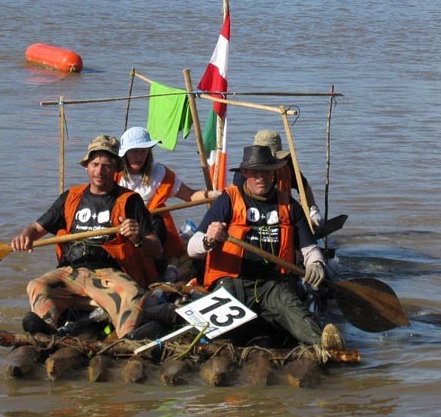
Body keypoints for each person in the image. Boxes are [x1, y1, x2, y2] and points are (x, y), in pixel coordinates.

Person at [187, 144, 343, 350]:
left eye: (266, 172)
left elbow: (310, 249)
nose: (261, 177)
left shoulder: (289, 205)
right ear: (244, 173)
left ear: (274, 175)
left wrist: (316, 264)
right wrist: (209, 239)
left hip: (273, 283)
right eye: (255, 172)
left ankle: (328, 348)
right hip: (232, 282)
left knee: (302, 320)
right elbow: (191, 247)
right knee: (197, 332)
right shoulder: (227, 201)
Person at [11, 134, 163, 339]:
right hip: (71, 271)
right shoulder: (71, 196)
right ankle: (47, 327)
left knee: (133, 294)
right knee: (36, 285)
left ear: (116, 169)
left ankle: (126, 339)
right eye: (95, 164)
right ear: (87, 167)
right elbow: (36, 228)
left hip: (107, 274)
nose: (99, 171)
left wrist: (137, 239)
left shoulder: (130, 201)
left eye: (106, 166)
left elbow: (156, 249)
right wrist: (25, 236)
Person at [117, 126, 220, 281]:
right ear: (125, 153)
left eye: (143, 151)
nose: (139, 156)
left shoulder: (160, 173)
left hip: (153, 229)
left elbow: (190, 195)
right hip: (124, 225)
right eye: (134, 151)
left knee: (158, 221)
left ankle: (158, 265)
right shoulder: (115, 174)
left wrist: (212, 194)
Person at [233, 130, 323, 230]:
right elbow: (236, 201)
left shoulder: (286, 164)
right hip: (254, 217)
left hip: (283, 214)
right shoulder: (245, 172)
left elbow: (303, 186)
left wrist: (312, 209)